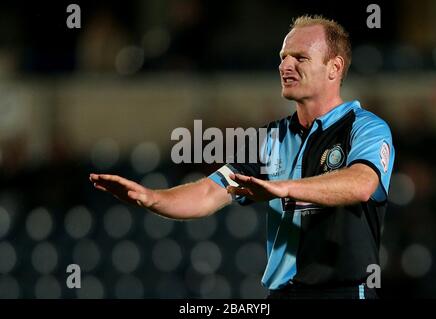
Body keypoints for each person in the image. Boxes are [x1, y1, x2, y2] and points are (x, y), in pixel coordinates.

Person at [90, 15, 395, 299]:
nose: (285, 66)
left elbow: (362, 183)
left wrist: (285, 188)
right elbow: (209, 192)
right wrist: (151, 198)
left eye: (300, 57)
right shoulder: (269, 138)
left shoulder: (366, 127)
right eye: (282, 57)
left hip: (343, 293)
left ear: (335, 67)